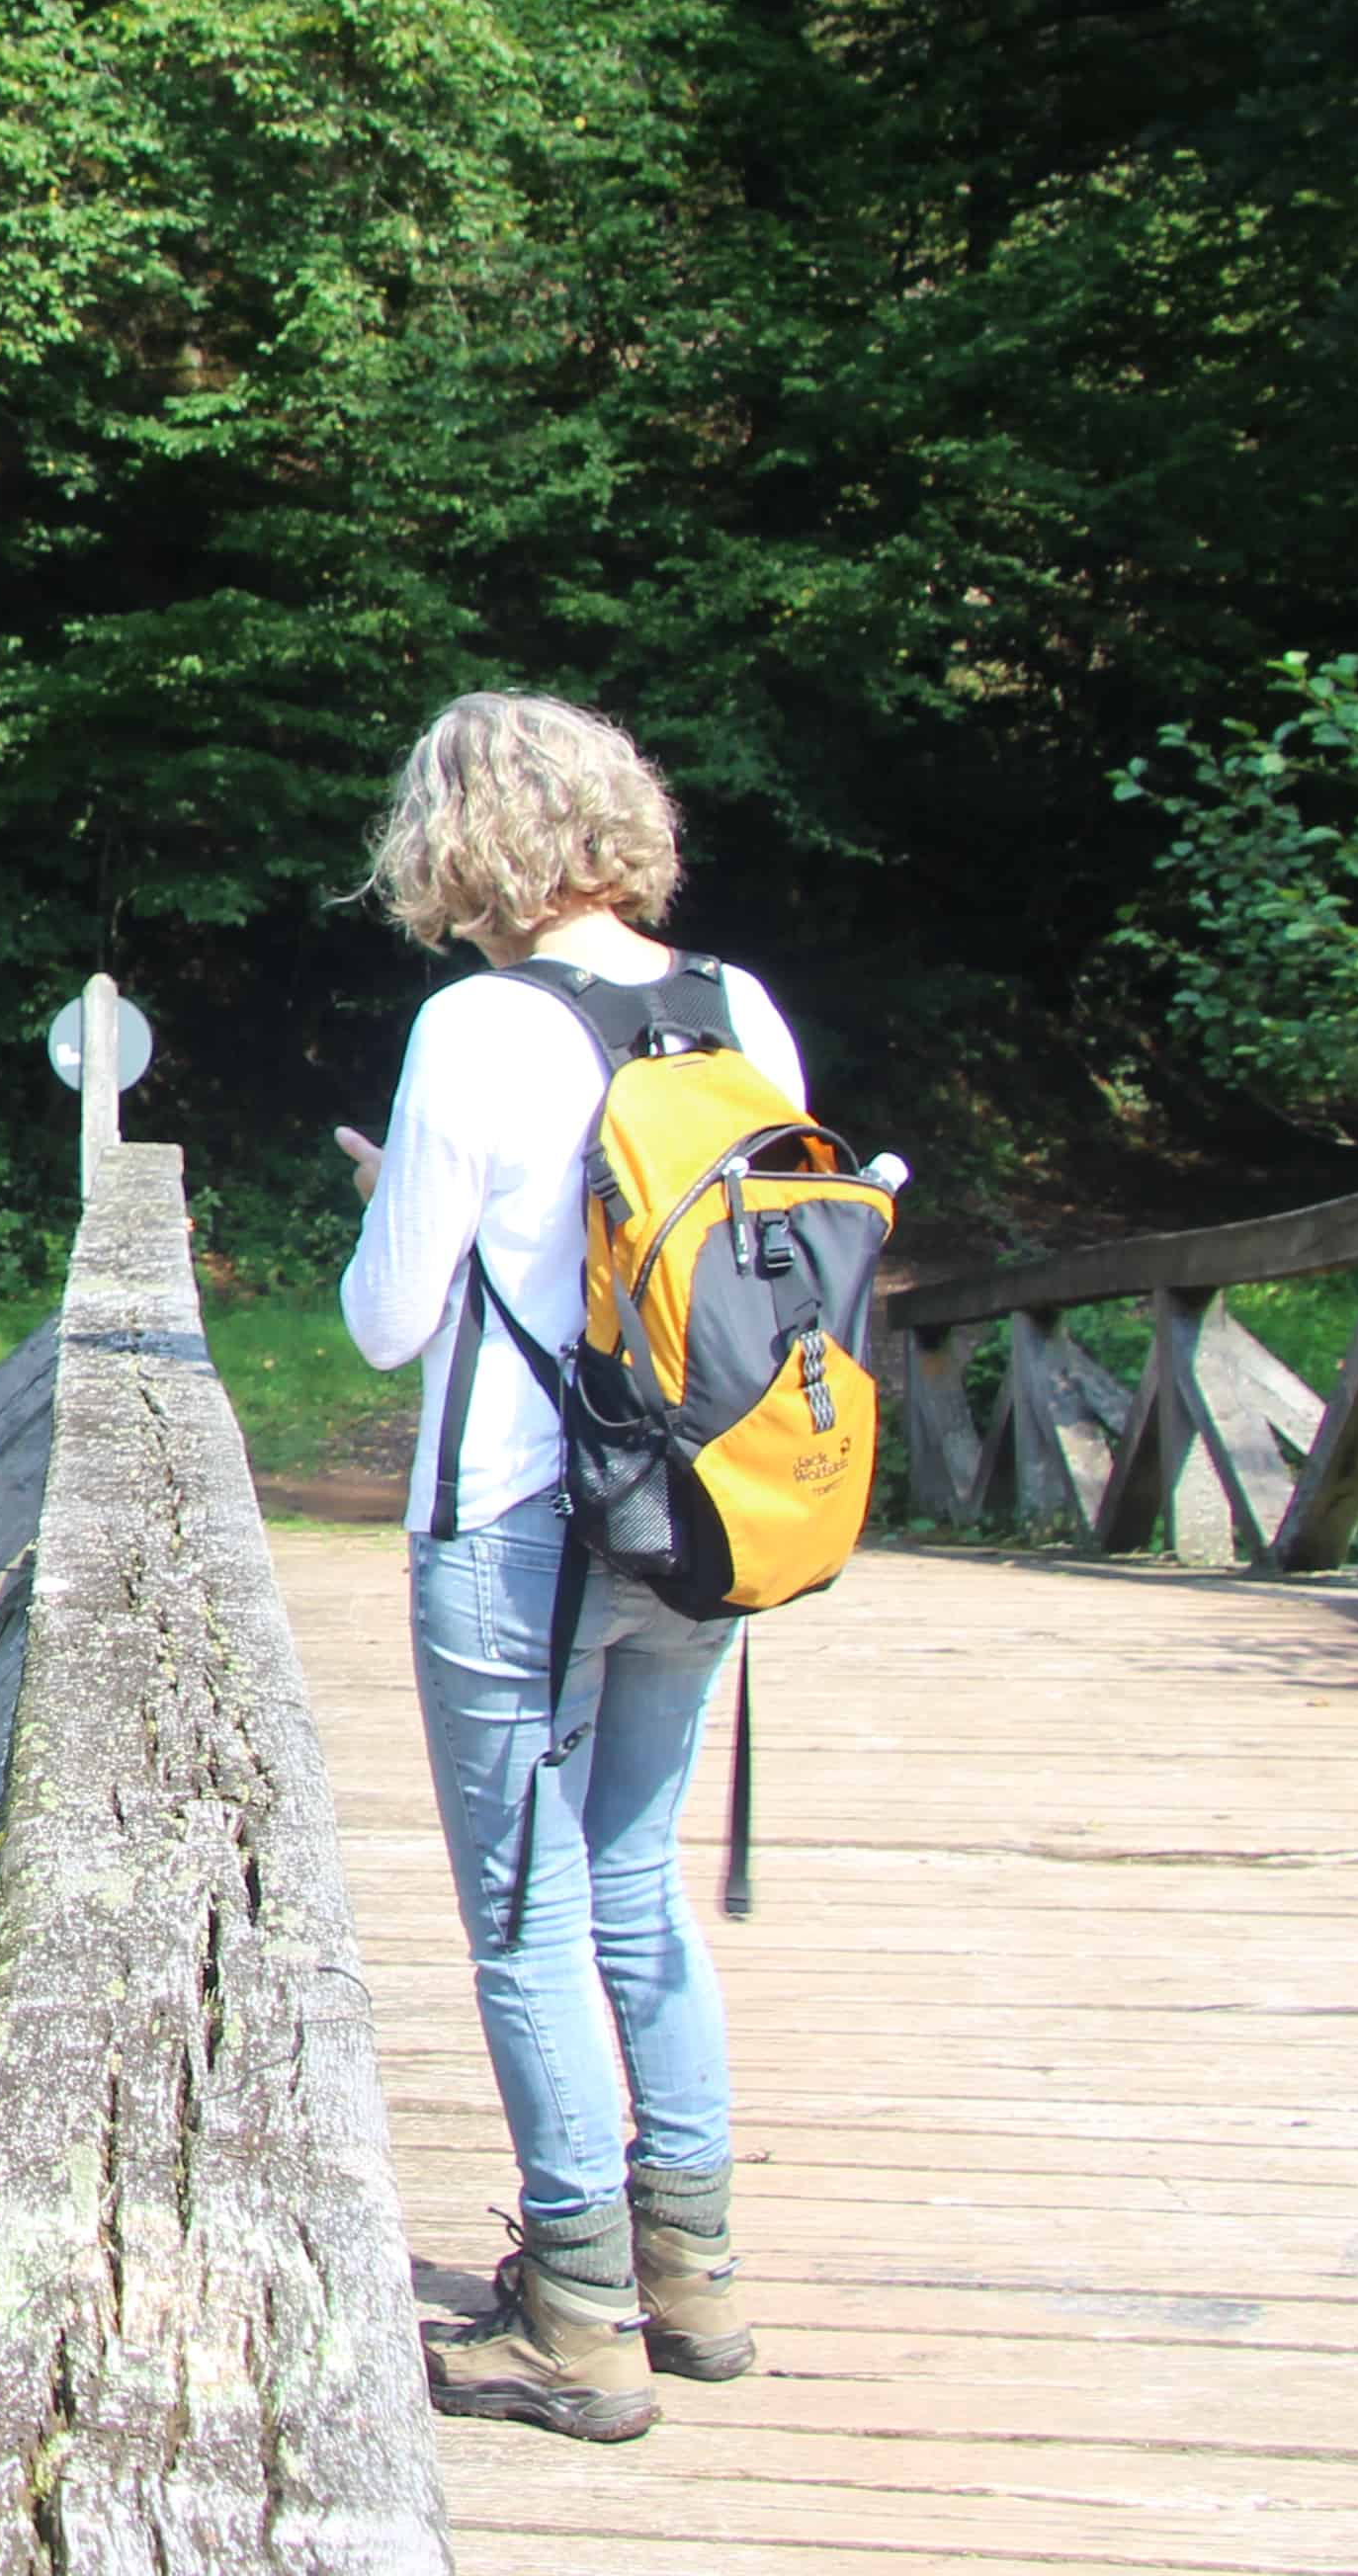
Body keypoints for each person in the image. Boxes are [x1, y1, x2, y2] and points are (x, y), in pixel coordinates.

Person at [335, 691, 788, 2443]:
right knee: (639, 1884)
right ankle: (699, 2275)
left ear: (454, 843)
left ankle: (578, 2318)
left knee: (523, 1922)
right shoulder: (737, 1008)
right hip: (700, 1519)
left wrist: (397, 1205)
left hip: (522, 1522)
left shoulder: (475, 1028)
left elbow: (387, 1324)